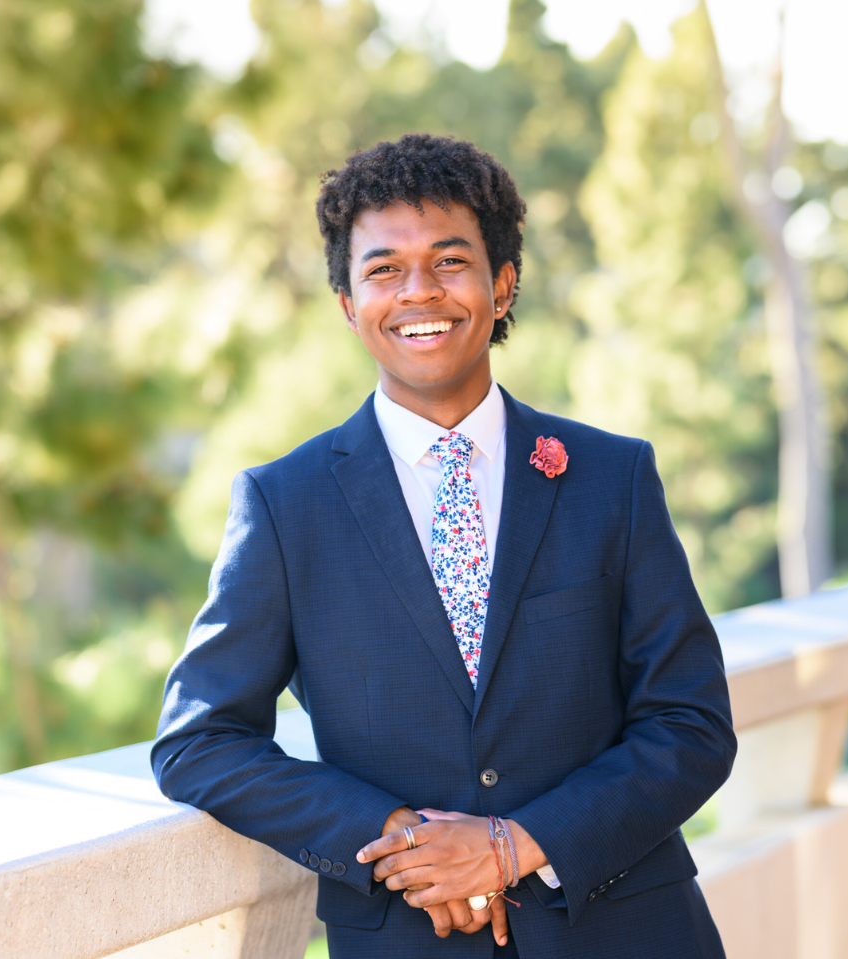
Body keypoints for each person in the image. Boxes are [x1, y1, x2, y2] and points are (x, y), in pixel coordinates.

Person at [153, 134, 735, 958]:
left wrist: (514, 843)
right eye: (384, 269)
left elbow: (692, 722)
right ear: (351, 306)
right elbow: (197, 739)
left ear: (502, 285)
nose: (418, 292)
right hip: (409, 936)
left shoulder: (613, 477)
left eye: (449, 261)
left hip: (627, 931)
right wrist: (395, 838)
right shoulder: (285, 505)